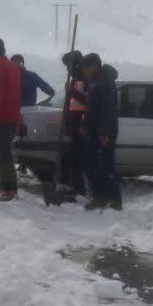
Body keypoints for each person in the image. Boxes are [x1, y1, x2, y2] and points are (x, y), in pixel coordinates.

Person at [80, 53, 121, 210]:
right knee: (93, 166)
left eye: (85, 68)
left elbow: (108, 110)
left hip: (103, 133)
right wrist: (84, 123)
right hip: (93, 130)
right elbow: (92, 108)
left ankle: (114, 200)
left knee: (106, 166)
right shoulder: (96, 82)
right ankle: (100, 196)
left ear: (94, 67)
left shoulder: (105, 83)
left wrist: (105, 133)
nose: (84, 72)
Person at [0, 38, 22, 202]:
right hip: (12, 116)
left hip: (3, 118)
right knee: (4, 152)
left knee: (2, 154)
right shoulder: (13, 67)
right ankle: (8, 186)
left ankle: (9, 189)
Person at [61, 50, 89, 196]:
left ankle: (79, 189)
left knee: (77, 157)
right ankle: (73, 185)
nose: (68, 70)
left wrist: (71, 91)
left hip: (81, 124)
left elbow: (88, 102)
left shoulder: (86, 79)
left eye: (69, 66)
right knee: (71, 156)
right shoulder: (75, 80)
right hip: (73, 123)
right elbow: (70, 103)